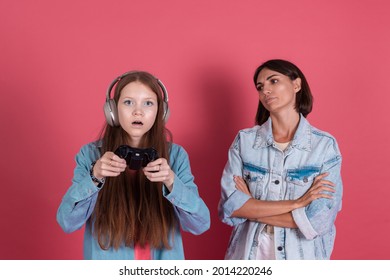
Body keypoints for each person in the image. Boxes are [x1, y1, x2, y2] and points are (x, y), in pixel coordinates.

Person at [57, 71, 210, 259]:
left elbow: (200, 224)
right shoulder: (91, 155)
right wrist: (94, 177)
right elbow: (67, 222)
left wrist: (171, 181)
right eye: (128, 102)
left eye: (148, 103)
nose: (138, 111)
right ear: (112, 110)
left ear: (160, 112)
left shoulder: (175, 156)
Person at [218, 59, 342, 260]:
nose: (265, 90)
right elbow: (230, 207)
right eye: (260, 87)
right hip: (249, 254)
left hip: (302, 256)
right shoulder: (245, 141)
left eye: (273, 81)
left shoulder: (324, 146)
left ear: (296, 84)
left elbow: (318, 221)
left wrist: (251, 208)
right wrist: (297, 203)